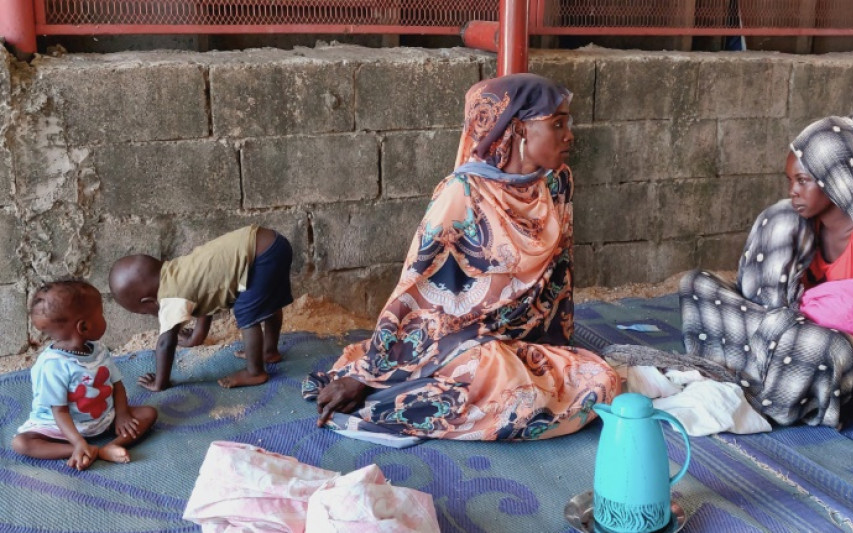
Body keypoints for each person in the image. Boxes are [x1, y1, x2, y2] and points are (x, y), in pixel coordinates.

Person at [304, 73, 620, 440]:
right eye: (558, 124)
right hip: (458, 341)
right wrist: (368, 373)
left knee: (601, 382)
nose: (570, 135)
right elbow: (413, 292)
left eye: (568, 123)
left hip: (520, 338)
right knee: (509, 387)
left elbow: (559, 279)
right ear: (517, 129)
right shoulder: (461, 195)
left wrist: (555, 351)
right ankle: (394, 391)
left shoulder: (556, 183)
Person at [678, 111, 853, 428]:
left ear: (835, 182)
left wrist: (831, 320)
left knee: (819, 347)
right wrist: (783, 323)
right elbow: (763, 292)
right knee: (695, 285)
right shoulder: (797, 225)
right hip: (779, 331)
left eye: (803, 181)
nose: (793, 191)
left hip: (851, 354)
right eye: (790, 181)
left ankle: (766, 370)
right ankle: (769, 363)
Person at [109, 224, 293, 391]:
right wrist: (196, 337)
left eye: (143, 313)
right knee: (270, 302)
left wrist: (160, 382)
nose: (150, 315)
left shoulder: (169, 297)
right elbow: (205, 300)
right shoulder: (176, 270)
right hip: (272, 243)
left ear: (148, 302)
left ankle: (255, 372)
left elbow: (166, 343)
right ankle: (269, 351)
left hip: (260, 255)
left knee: (246, 313)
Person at [11, 280, 157, 469]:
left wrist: (122, 415)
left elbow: (117, 385)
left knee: (148, 413)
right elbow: (60, 411)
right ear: (84, 327)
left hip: (104, 417)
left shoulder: (99, 350)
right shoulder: (53, 366)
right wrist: (77, 441)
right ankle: (83, 448)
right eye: (102, 314)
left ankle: (108, 448)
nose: (105, 319)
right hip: (60, 427)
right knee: (21, 444)